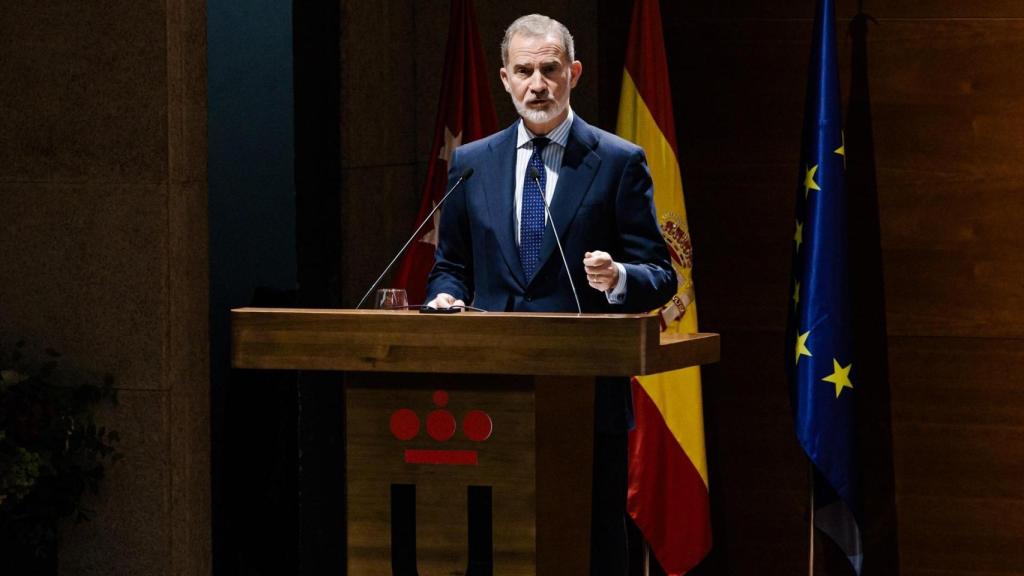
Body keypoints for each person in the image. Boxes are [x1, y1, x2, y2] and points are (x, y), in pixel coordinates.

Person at [425, 13, 676, 575]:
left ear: (574, 73)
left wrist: (619, 279)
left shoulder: (617, 161)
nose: (537, 84)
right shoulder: (471, 164)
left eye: (549, 69)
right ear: (505, 79)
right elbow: (451, 268)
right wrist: (445, 299)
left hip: (586, 399)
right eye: (524, 71)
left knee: (590, 547)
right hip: (494, 394)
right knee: (495, 544)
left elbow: (662, 274)